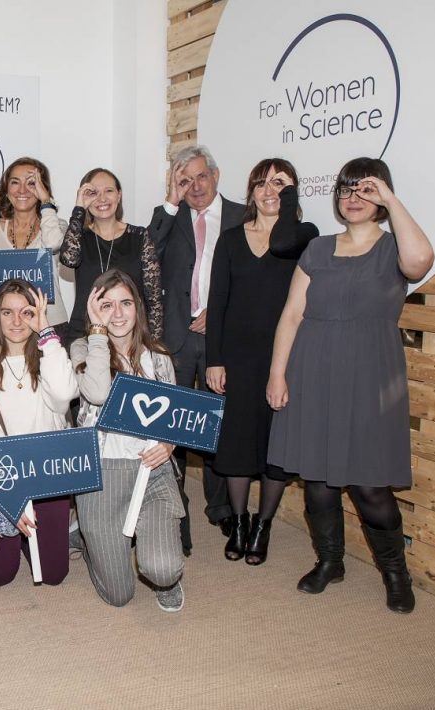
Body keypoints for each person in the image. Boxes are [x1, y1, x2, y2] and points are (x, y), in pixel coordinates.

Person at [267, 158, 433, 614]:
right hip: (313, 371)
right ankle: (331, 562)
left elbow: (420, 263)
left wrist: (390, 201)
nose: (353, 198)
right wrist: (278, 372)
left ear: (381, 195)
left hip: (371, 377)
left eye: (365, 190)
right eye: (346, 190)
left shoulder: (394, 248)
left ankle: (396, 573)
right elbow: (292, 314)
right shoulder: (318, 249)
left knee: (370, 486)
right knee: (317, 480)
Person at [204, 158, 318, 565]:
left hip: (284, 358)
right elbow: (217, 303)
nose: (270, 190)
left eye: (280, 184)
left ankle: (264, 524)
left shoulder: (304, 235)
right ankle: (238, 521)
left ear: (293, 192)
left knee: (275, 444)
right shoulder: (231, 239)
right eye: (262, 184)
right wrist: (213, 360)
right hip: (236, 357)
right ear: (250, 192)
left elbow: (283, 242)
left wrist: (286, 205)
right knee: (234, 444)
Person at [70, 269, 186, 611]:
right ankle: (85, 536)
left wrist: (169, 445)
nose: (117, 314)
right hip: (101, 473)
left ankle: (167, 579)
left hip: (151, 472)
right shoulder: (82, 348)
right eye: (106, 305)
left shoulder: (159, 356)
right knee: (119, 596)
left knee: (162, 569)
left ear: (138, 307)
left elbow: (175, 418)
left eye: (125, 304)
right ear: (93, 310)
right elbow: (98, 392)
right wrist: (97, 332)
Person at [148, 144, 244, 554]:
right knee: (172, 424)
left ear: (216, 176)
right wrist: (170, 201)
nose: (195, 186)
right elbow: (146, 254)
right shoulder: (170, 218)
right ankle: (175, 505)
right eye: (184, 180)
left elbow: (257, 278)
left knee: (218, 424)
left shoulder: (243, 216)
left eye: (201, 177)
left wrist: (222, 313)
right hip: (175, 337)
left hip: (222, 338)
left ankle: (221, 507)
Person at [0, 279, 78, 586]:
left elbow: (66, 393)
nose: (17, 321)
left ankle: (35, 540)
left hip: (47, 473)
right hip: (5, 477)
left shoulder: (50, 353)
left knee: (54, 574)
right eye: (7, 313)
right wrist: (8, 498)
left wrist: (46, 333)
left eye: (26, 312)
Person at [60, 168, 162, 346]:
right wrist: (78, 209)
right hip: (84, 336)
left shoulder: (139, 236)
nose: (102, 199)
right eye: (93, 193)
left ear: (119, 195)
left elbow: (153, 299)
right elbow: (69, 259)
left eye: (108, 191)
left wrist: (153, 344)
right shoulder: (78, 237)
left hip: (128, 336)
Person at [0, 158, 68, 329]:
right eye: (15, 182)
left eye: (31, 183)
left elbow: (53, 244)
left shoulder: (57, 225)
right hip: (7, 327)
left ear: (43, 188)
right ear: (6, 189)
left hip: (50, 322)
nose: (22, 190)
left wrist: (46, 202)